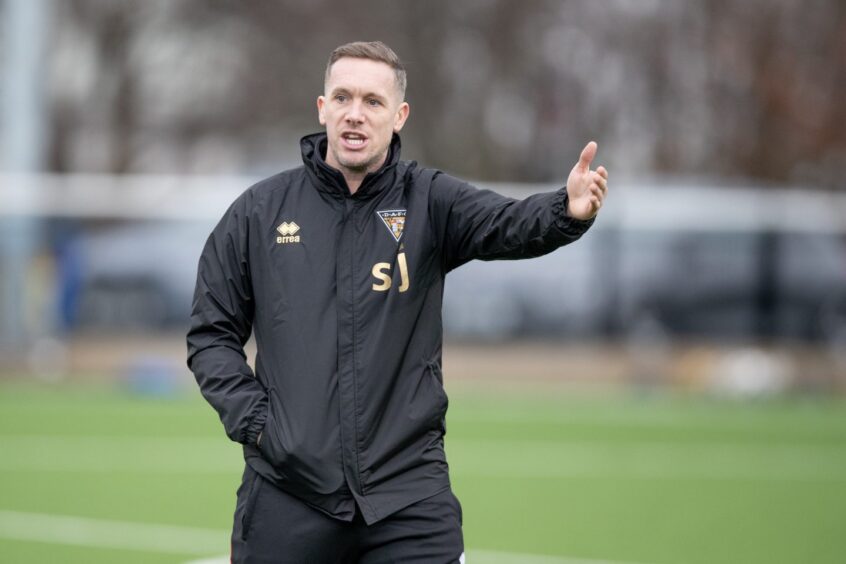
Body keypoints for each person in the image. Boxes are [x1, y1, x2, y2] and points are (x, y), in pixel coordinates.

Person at [187, 40, 608, 564]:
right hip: (287, 489)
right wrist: (258, 425)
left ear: (399, 115)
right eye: (342, 98)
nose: (355, 115)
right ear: (322, 108)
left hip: (408, 496)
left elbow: (506, 224)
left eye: (372, 101)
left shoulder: (430, 201)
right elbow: (210, 334)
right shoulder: (259, 212)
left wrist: (566, 210)